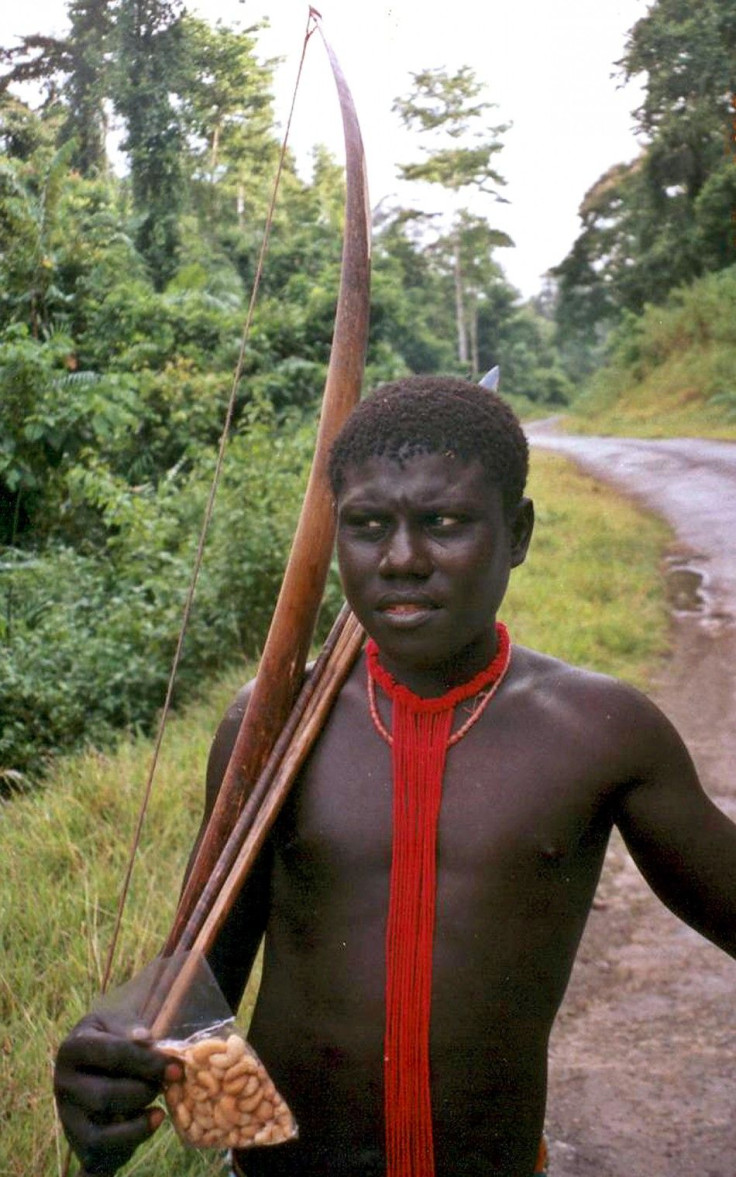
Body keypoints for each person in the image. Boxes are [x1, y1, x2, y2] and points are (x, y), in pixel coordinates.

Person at [54, 375, 736, 1177]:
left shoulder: (598, 730)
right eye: (369, 526)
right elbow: (205, 973)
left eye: (444, 523)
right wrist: (117, 1056)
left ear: (517, 532)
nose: (403, 559)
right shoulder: (270, 720)